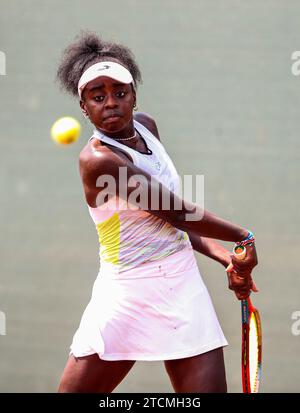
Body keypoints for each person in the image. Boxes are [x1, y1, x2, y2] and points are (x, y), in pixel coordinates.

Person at [56, 32, 258, 393]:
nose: (111, 103)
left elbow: (168, 223)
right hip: (126, 295)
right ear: (84, 108)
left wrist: (224, 256)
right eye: (98, 97)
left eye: (120, 93)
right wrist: (244, 236)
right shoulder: (98, 160)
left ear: (135, 95)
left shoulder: (147, 127)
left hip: (181, 284)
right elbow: (177, 212)